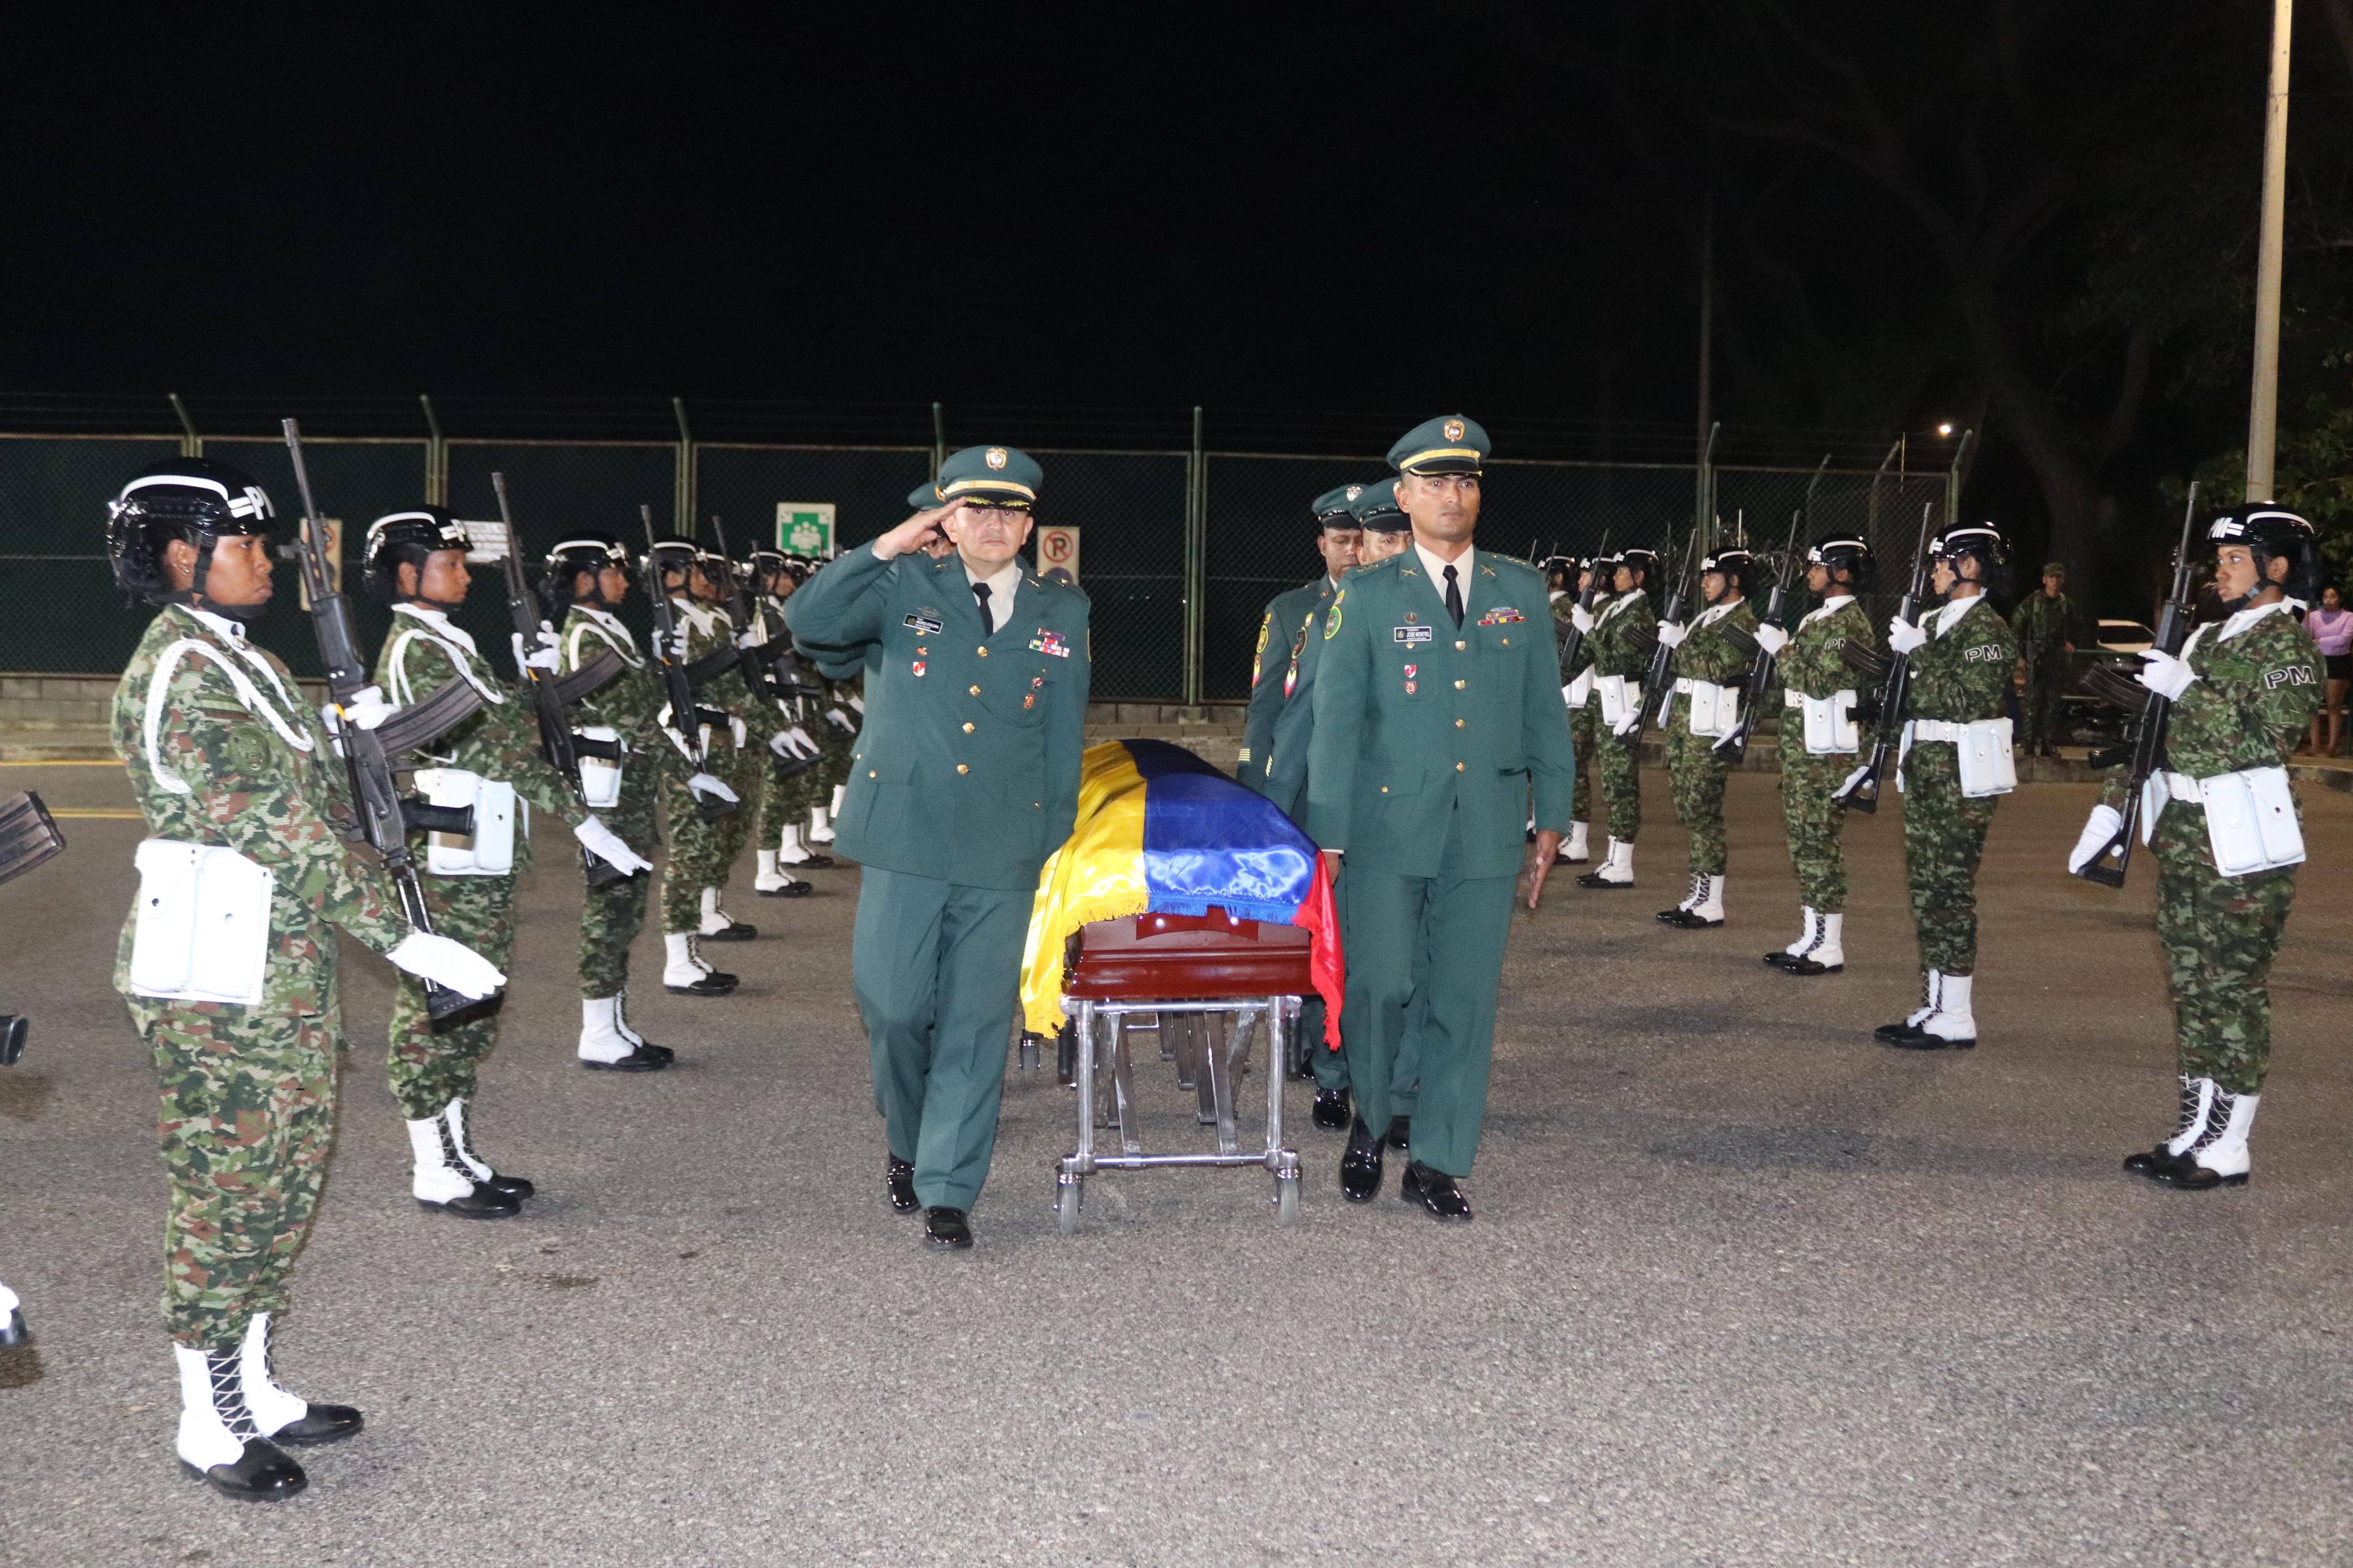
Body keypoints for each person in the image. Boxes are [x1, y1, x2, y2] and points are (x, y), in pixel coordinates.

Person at [105, 459, 503, 1499]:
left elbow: (309, 786)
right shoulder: (183, 671)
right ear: (184, 558)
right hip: (218, 976)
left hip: (273, 965)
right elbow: (275, 825)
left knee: (284, 1179)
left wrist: (351, 730)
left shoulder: (243, 658)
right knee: (228, 1192)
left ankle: (255, 1383)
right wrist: (408, 941)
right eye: (244, 544)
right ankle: (207, 1415)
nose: (270, 560)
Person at [785, 446, 1091, 1250]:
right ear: (946, 519)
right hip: (906, 832)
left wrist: (1049, 834)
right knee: (892, 1006)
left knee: (977, 1019)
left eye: (1010, 511)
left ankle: (949, 1186)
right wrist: (888, 544)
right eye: (975, 509)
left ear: (1030, 523)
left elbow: (1064, 734)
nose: (995, 525)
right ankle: (909, 1137)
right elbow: (809, 622)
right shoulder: (901, 585)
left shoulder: (1063, 610)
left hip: (1003, 840)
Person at [1305, 416, 1576, 1222]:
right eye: (1433, 483)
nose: (1450, 496)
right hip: (1386, 827)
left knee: (1465, 999)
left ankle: (1438, 1159)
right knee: (1382, 985)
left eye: (1463, 482)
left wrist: (1553, 813)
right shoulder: (1366, 595)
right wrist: (1329, 832)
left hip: (1486, 828)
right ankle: (1370, 1112)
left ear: (1478, 493)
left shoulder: (1519, 590)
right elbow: (1336, 723)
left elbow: (1543, 713)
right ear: (1404, 495)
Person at [365, 509, 655, 1217]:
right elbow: (490, 747)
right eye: (449, 564)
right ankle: (433, 1164)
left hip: (481, 847)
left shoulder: (448, 642)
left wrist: (538, 684)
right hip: (448, 854)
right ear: (407, 574)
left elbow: (506, 727)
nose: (464, 576)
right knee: (434, 1013)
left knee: (472, 1010)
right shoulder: (415, 649)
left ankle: (459, 1150)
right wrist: (582, 819)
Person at [2078, 508, 2323, 1188]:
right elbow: (2150, 732)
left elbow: (2263, 740)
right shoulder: (2207, 635)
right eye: (2217, 562)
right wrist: (2113, 802)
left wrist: (2187, 689)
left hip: (2244, 836)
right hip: (2186, 831)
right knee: (2189, 985)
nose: (2220, 573)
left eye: (2234, 560)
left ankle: (2232, 1142)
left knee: (2232, 988)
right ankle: (2196, 1125)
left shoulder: (2286, 645)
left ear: (2276, 567)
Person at [545, 533, 737, 1060]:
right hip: (607, 791)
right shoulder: (584, 635)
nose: (625, 581)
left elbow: (641, 698)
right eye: (613, 572)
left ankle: (612, 1021)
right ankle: (598, 1031)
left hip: (627, 787)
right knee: (608, 912)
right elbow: (628, 715)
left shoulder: (607, 628)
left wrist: (660, 667)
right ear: (584, 579)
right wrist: (688, 768)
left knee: (624, 912)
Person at [1266, 480, 1412, 1135]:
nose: (1360, 551)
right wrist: (1274, 806)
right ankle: (1332, 1073)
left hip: (1410, 810)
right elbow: (1297, 719)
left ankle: (1398, 1084)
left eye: (1375, 538)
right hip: (1337, 806)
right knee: (1337, 947)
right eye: (1351, 538)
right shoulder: (1330, 612)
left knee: (1401, 958)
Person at [1875, 522, 2019, 1051]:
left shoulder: (1989, 631)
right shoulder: (1934, 621)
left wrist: (1920, 651)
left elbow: (1965, 698)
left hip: (1963, 777)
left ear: (1971, 566)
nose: (1935, 571)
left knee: (1950, 892)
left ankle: (1957, 1014)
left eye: (1943, 562)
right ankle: (1935, 1003)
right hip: (1927, 771)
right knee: (1927, 891)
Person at [1763, 535, 1876, 975]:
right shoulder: (1819, 618)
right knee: (1804, 844)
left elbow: (1821, 682)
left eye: (1817, 565)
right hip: (1804, 747)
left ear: (1842, 573)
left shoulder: (1848, 623)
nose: (1809, 572)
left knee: (1820, 845)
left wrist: (1782, 649)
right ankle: (1812, 934)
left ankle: (1830, 944)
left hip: (1826, 754)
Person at [658, 538, 763, 960]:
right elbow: (712, 680)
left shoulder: (706, 619)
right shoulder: (672, 623)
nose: (709, 581)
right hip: (690, 741)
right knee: (690, 850)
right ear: (673, 575)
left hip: (720, 737)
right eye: (700, 571)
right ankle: (680, 957)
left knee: (716, 838)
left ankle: (706, 914)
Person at [1653, 548, 1758, 928]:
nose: (1705, 582)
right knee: (1687, 810)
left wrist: (1681, 643)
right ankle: (1697, 893)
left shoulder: (1742, 623)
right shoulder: (1707, 618)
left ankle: (1712, 900)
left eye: (1713, 576)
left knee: (1704, 812)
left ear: (1734, 580)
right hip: (1686, 726)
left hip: (1710, 730)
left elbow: (1717, 669)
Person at [1238, 486, 1362, 795]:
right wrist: (1251, 783)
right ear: (1323, 546)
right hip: (1307, 781)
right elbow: (1266, 708)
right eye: (1341, 541)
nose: (1351, 551)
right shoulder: (1289, 612)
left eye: (1360, 541)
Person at [1575, 547, 1657, 889]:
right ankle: (1612, 859)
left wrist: (1589, 629)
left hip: (1623, 704)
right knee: (1611, 782)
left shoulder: (1639, 615)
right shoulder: (1617, 609)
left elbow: (1615, 659)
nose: (1617, 576)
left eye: (1625, 571)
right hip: (1604, 703)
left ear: (1639, 577)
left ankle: (1622, 863)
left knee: (1622, 785)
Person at [749, 550, 834, 879]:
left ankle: (791, 846)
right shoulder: (760, 615)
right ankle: (768, 868)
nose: (788, 582)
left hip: (794, 698)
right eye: (780, 576)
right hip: (776, 702)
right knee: (778, 786)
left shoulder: (780, 611)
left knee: (798, 780)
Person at [1548, 554, 1597, 866]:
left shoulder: (1568, 609)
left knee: (1575, 770)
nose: (1582, 580)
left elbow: (1582, 653)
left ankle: (1576, 838)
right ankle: (1565, 830)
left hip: (1575, 698)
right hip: (1562, 696)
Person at [2011, 562, 2078, 757]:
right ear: (2044, 580)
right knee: (2033, 702)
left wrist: (2069, 641)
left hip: (2055, 661)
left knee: (2052, 704)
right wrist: (2020, 657)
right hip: (2035, 659)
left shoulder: (2065, 604)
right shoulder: (2033, 602)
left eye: (2058, 578)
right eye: (2051, 577)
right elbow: (2016, 627)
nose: (2055, 581)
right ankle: (2029, 744)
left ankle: (2048, 742)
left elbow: (2079, 624)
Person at [2299, 584, 2349, 755]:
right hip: (2316, 661)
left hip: (2338, 662)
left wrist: (2319, 641)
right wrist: (2306, 619)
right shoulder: (2314, 616)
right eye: (2326, 596)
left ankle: (2332, 747)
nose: (2328, 600)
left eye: (2333, 596)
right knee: (2312, 704)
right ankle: (2314, 746)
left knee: (2333, 705)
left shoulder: (2348, 617)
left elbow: (2343, 639)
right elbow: (2305, 636)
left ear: (2339, 599)